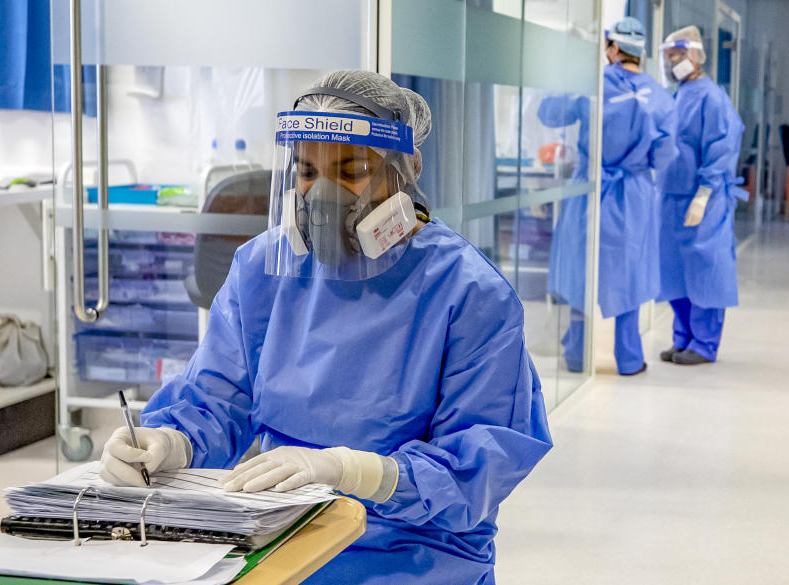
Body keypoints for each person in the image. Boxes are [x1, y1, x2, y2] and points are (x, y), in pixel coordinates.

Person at [99, 71, 552, 584]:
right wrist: (168, 442)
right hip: (281, 535)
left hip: (414, 554)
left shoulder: (469, 293)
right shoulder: (262, 270)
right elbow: (216, 400)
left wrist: (351, 470)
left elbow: (478, 467)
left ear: (406, 170)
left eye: (351, 170)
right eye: (307, 170)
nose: (323, 195)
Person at [538, 17, 665, 375]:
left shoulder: (592, 85)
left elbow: (548, 113)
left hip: (590, 188)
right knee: (630, 270)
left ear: (612, 48)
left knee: (581, 268)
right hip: (634, 193)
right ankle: (628, 358)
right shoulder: (657, 95)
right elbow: (666, 154)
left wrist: (570, 73)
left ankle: (577, 355)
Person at [658, 26, 746, 365]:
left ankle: (705, 344)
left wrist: (704, 194)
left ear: (695, 56)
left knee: (705, 267)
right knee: (674, 270)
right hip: (670, 197)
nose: (672, 62)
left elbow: (721, 147)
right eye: (668, 56)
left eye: (677, 56)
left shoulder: (712, 98)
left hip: (703, 199)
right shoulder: (677, 94)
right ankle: (683, 338)